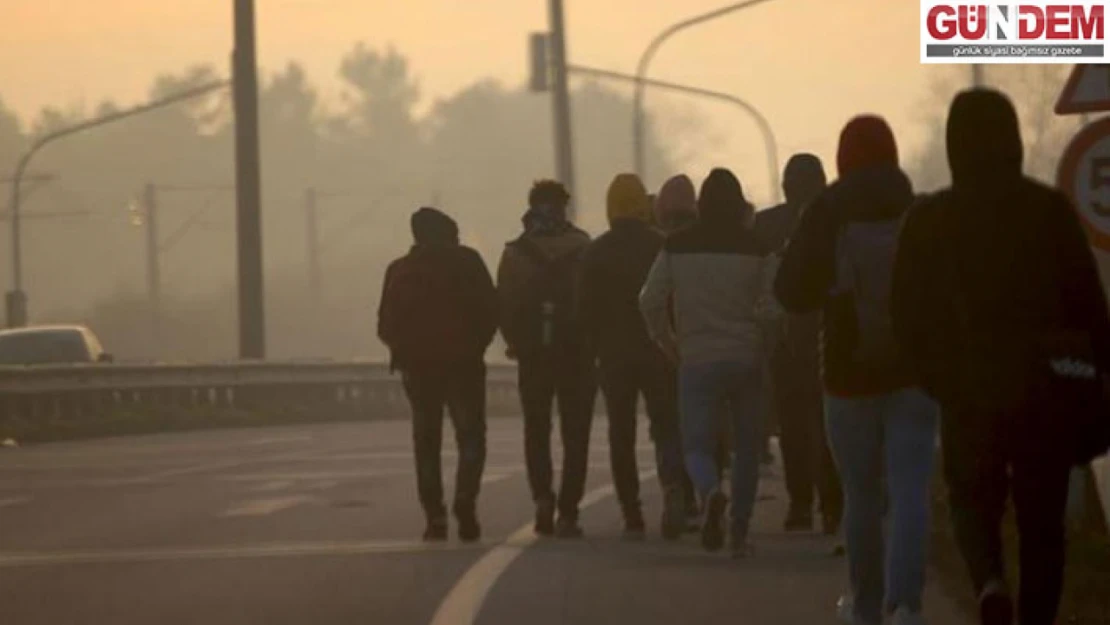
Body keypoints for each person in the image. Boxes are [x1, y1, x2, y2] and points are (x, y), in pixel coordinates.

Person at [892, 89, 1110, 625]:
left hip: (967, 389)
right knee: (1042, 523)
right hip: (1045, 391)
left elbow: (906, 315)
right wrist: (1097, 378)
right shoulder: (1048, 210)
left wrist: (935, 377)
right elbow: (1089, 305)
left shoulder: (929, 220)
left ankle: (989, 580)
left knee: (971, 499)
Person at [776, 116, 937, 625]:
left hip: (846, 373)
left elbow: (790, 292)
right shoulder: (919, 208)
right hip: (915, 373)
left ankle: (865, 606)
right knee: (911, 486)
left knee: (861, 493)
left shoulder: (824, 211)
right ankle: (908, 603)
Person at [640, 168, 778, 558]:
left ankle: (710, 491)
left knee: (696, 446)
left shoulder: (677, 245)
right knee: (748, 450)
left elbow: (649, 299)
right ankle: (738, 534)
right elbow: (772, 308)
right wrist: (764, 344)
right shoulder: (759, 246)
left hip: (696, 358)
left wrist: (667, 341)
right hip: (747, 358)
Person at [378, 207, 499, 543]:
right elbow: (491, 309)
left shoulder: (400, 270)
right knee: (471, 435)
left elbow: (385, 324)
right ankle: (465, 501)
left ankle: (435, 516)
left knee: (426, 441)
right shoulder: (468, 263)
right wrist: (476, 346)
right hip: (464, 366)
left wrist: (404, 351)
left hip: (418, 370)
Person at [578, 173, 687, 541]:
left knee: (621, 432)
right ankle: (674, 488)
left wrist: (593, 350)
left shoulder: (595, 252)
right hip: (658, 351)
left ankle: (632, 511)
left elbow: (584, 311)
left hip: (613, 356)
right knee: (666, 425)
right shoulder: (662, 245)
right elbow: (675, 301)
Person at [498, 180, 597, 539]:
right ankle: (569, 512)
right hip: (578, 355)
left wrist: (515, 343)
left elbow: (503, 306)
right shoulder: (585, 247)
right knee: (576, 434)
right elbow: (594, 302)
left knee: (537, 431)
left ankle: (542, 497)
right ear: (564, 206)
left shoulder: (514, 253)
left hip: (533, 357)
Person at [754, 154, 843, 535]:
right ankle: (833, 505)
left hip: (783, 339)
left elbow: (757, 284)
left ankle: (801, 505)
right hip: (829, 336)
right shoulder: (837, 220)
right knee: (828, 425)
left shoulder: (766, 224)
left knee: (792, 427)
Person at [653, 174, 706, 530]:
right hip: (705, 348)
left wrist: (662, 339)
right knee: (704, 425)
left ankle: (675, 489)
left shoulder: (658, 247)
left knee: (667, 425)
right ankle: (707, 488)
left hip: (662, 352)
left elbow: (648, 300)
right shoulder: (710, 244)